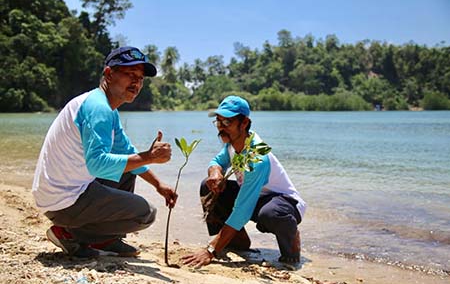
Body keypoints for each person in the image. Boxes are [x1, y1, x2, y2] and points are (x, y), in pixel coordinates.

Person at [32, 46, 177, 258]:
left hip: (58, 193)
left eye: (140, 78)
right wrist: (150, 156)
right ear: (109, 74)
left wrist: (158, 185)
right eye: (130, 75)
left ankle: (107, 238)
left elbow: (126, 150)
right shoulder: (98, 108)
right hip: (63, 200)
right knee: (146, 214)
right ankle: (70, 233)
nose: (136, 82)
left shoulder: (105, 107)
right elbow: (97, 164)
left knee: (129, 168)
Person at [182, 96, 306, 268]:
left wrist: (211, 250)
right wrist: (216, 173)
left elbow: (243, 210)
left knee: (270, 214)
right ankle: (237, 240)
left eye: (227, 122)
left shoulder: (257, 157)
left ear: (244, 122)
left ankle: (292, 240)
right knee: (208, 186)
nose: (221, 128)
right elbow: (216, 162)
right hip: (255, 199)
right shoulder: (233, 144)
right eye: (218, 122)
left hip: (284, 203)